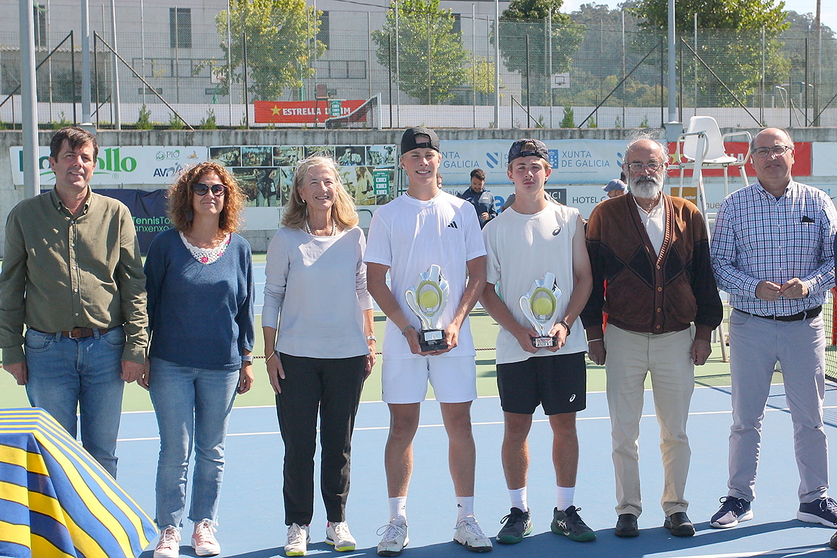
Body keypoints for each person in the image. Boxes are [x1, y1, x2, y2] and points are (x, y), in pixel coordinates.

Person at [580, 136, 723, 539]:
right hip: (623, 336)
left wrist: (706, 333)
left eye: (652, 164)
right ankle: (628, 509)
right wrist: (595, 334)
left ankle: (675, 508)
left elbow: (704, 279)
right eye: (637, 164)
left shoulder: (689, 214)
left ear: (667, 169)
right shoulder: (604, 215)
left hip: (678, 338)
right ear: (625, 169)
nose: (645, 171)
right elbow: (591, 282)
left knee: (675, 431)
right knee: (624, 432)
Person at [365, 126, 491, 555]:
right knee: (402, 427)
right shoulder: (386, 214)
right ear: (403, 163)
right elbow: (376, 281)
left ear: (439, 160)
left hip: (456, 339)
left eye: (429, 154)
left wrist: (455, 322)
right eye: (414, 155)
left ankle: (466, 518)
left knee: (460, 424)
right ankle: (396, 521)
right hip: (404, 341)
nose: (422, 161)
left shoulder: (463, 210)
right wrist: (405, 327)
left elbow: (478, 274)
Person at [0, 126, 148, 478]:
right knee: (54, 453)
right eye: (68, 156)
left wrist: (136, 347)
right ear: (52, 162)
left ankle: (100, 533)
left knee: (103, 454)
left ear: (94, 165)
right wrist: (11, 350)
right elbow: (10, 287)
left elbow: (133, 284)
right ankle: (60, 533)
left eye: (85, 157)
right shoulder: (25, 215)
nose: (76, 164)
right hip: (46, 352)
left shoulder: (117, 214)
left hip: (106, 349)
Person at [709, 128, 837, 533]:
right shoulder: (733, 205)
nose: (771, 157)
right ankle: (739, 498)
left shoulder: (818, 201)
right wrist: (753, 287)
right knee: (745, 419)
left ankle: (814, 499)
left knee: (811, 419)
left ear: (792, 154)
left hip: (805, 326)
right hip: (751, 327)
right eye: (762, 151)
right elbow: (718, 265)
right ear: (751, 160)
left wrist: (811, 284)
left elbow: (834, 261)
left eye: (778, 149)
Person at [480, 139, 595, 545]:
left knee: (565, 427)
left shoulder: (571, 218)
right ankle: (518, 511)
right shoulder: (493, 229)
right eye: (521, 166)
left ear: (548, 172)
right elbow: (487, 291)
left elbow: (584, 278)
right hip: (516, 348)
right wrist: (517, 330)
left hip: (565, 345)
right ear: (509, 174)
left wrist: (565, 323)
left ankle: (565, 511)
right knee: (516, 430)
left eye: (536, 166)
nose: (529, 173)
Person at [262, 156, 376, 557]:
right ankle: (298, 525)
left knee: (338, 445)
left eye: (328, 181)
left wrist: (370, 338)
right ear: (300, 191)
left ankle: (336, 521)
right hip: (295, 358)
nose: (322, 189)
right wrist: (270, 352)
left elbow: (363, 292)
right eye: (313, 182)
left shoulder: (355, 236)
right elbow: (272, 296)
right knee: (298, 447)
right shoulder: (285, 239)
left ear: (336, 188)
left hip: (347, 356)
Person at [141, 161, 255, 558]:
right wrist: (142, 354)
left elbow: (244, 309)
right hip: (170, 363)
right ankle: (169, 530)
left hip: (222, 366)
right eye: (203, 188)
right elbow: (147, 304)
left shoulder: (238, 248)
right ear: (188, 195)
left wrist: (247, 358)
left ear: (228, 197)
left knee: (212, 450)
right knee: (175, 449)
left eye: (219, 189)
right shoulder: (166, 245)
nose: (211, 195)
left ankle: (203, 525)